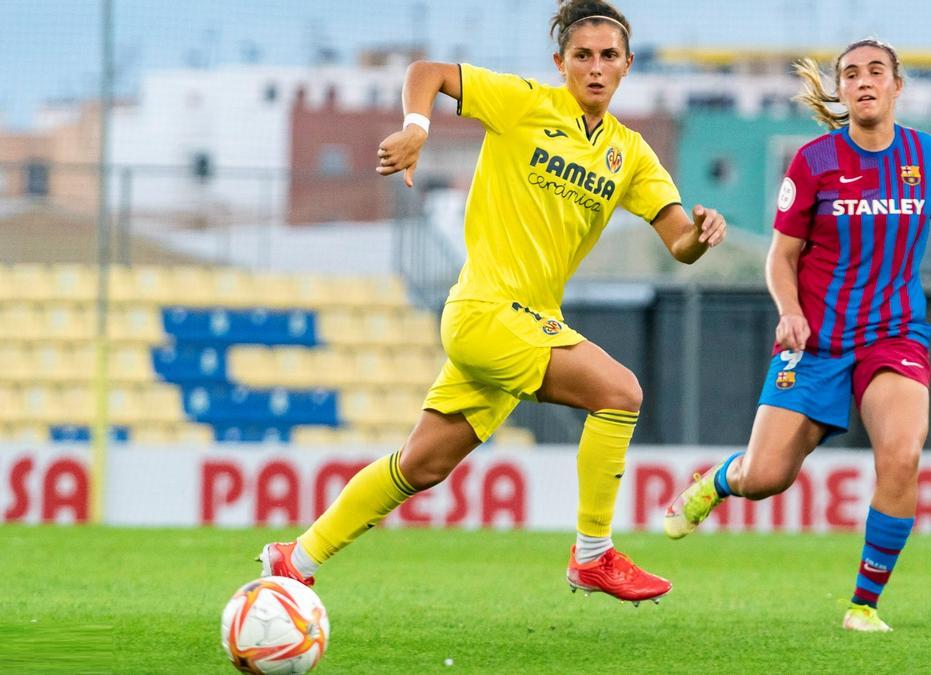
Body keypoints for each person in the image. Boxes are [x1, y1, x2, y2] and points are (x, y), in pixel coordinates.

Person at [259, 0, 726, 605]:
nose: (595, 67)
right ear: (560, 63)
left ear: (628, 65)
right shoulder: (525, 102)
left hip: (523, 324)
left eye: (608, 56)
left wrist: (702, 234)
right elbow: (428, 71)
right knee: (620, 394)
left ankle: (295, 558)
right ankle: (593, 555)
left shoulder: (630, 154)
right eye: (582, 55)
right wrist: (416, 128)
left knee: (420, 466)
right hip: (485, 309)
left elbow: (678, 242)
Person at [662, 39, 931, 631]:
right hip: (816, 343)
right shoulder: (813, 161)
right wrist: (789, 312)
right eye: (851, 74)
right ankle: (717, 480)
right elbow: (780, 258)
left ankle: (863, 606)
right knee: (766, 477)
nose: (864, 82)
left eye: (876, 72)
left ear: (897, 85)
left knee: (904, 452)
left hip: (894, 338)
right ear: (839, 91)